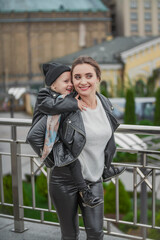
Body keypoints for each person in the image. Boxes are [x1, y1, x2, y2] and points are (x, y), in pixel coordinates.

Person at [49, 56, 125, 240]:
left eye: (89, 75)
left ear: (98, 78)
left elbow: (108, 138)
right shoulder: (65, 105)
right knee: (70, 234)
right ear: (72, 80)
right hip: (64, 181)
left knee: (96, 232)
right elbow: (37, 138)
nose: (83, 81)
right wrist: (55, 162)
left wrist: (106, 166)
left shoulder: (105, 104)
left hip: (93, 179)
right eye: (77, 77)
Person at [28, 62, 103, 208]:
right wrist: (50, 158)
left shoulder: (66, 96)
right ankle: (84, 192)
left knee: (73, 157)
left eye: (71, 81)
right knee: (72, 159)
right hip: (47, 137)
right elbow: (52, 106)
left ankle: (104, 170)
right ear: (53, 86)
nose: (70, 85)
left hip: (57, 136)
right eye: (66, 81)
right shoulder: (45, 94)